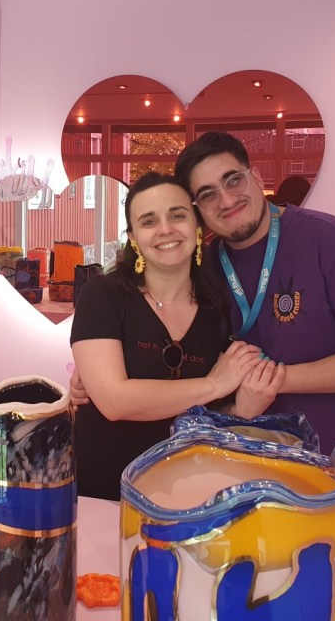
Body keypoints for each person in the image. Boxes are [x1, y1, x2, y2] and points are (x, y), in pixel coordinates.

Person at [173, 132, 335, 534]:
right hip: (245, 478)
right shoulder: (204, 267)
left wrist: (278, 379)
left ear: (255, 176)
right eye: (208, 194)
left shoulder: (330, 241)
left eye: (233, 180)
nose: (226, 200)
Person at [70, 171, 274, 500]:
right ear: (133, 237)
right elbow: (113, 401)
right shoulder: (103, 295)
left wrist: (240, 409)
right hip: (104, 493)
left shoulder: (218, 306)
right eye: (149, 221)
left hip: (190, 494)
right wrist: (214, 384)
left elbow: (206, 415)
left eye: (177, 215)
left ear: (197, 226)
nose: (165, 229)